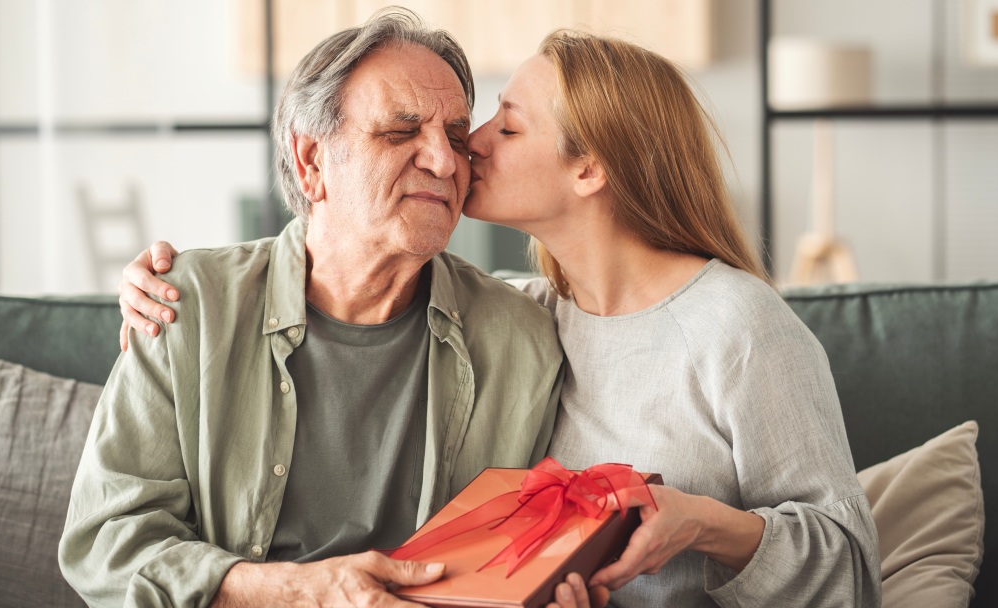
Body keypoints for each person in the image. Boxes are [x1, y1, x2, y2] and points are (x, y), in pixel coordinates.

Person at [119, 30, 882, 608]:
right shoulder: (532, 313)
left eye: (495, 130)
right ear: (312, 161)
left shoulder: (729, 327)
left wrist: (703, 524)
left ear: (589, 169)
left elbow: (852, 569)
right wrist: (164, 287)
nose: (459, 155)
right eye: (410, 132)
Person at [59, 10, 571, 607]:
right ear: (311, 162)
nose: (445, 160)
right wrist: (302, 592)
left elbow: (524, 552)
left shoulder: (524, 338)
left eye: (457, 137)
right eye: (400, 132)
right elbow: (106, 543)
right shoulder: (183, 306)